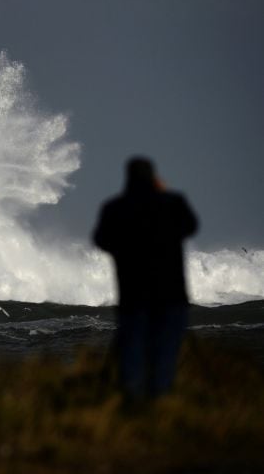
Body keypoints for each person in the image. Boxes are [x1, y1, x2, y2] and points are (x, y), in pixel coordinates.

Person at [93, 156, 198, 402]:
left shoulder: (115, 207)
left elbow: (101, 240)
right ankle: (159, 401)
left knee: (132, 348)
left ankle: (132, 401)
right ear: (154, 177)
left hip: (133, 295)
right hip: (170, 294)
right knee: (166, 350)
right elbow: (190, 227)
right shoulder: (172, 202)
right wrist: (164, 194)